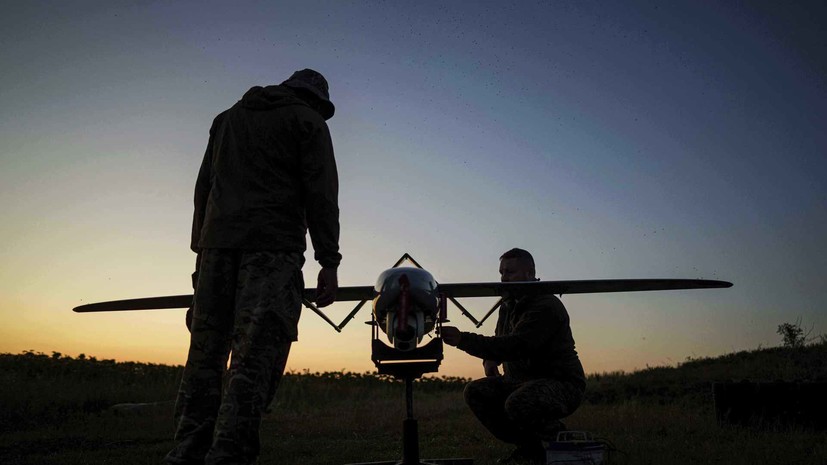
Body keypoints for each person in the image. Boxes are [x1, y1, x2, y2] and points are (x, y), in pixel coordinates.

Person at [165, 69, 341, 465]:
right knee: (256, 355)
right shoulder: (307, 121)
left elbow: (203, 190)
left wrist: (201, 250)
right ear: (315, 100)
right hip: (272, 251)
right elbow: (321, 194)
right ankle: (229, 454)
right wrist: (328, 260)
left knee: (204, 355)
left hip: (216, 249)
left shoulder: (226, 119)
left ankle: (187, 451)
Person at [439, 248, 585, 465]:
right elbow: (500, 339)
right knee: (476, 392)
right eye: (501, 273)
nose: (503, 278)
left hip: (562, 384)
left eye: (510, 272)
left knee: (519, 403)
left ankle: (568, 447)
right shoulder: (508, 305)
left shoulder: (546, 306)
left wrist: (463, 339)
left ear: (529, 273)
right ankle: (530, 451)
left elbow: (515, 346)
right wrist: (490, 361)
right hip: (520, 381)